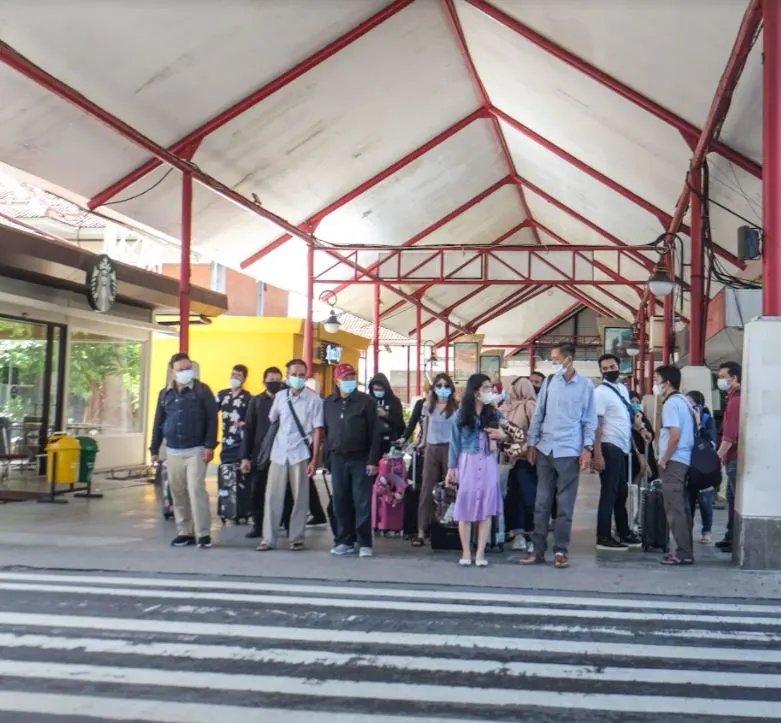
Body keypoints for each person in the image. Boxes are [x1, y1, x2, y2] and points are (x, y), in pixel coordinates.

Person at [523, 342, 597, 569]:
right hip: (546, 448)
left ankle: (560, 551)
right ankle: (538, 550)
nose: (553, 362)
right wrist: (532, 443)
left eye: (556, 358)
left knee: (565, 506)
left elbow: (589, 420)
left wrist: (587, 448)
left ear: (568, 359)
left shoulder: (585, 386)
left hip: (569, 451)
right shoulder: (549, 382)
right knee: (541, 502)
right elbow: (539, 413)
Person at [150, 352, 218, 548]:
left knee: (196, 490)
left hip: (196, 449)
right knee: (178, 492)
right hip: (173, 451)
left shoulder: (202, 391)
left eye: (188, 369)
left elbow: (212, 419)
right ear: (173, 372)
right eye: (181, 370)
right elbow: (158, 422)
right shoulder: (165, 394)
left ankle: (203, 533)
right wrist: (154, 449)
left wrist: (209, 445)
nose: (186, 372)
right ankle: (185, 532)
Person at [257, 359, 324, 552]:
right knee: (272, 496)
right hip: (278, 453)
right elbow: (273, 419)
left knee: (301, 497)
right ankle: (268, 539)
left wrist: (314, 458)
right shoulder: (280, 397)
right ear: (287, 376)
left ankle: (296, 537)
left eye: (301, 375)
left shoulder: (314, 400)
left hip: (301, 454)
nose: (298, 378)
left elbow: (318, 430)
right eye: (294, 374)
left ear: (306, 376)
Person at [446, 373, 506, 567]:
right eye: (486, 388)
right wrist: (451, 467)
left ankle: (480, 552)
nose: (490, 392)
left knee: (486, 507)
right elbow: (454, 443)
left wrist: (501, 434)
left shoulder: (494, 413)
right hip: (468, 461)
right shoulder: (461, 415)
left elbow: (510, 431)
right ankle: (466, 551)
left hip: (488, 460)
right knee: (466, 505)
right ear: (475, 391)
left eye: (490, 388)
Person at [322, 363, 382, 557]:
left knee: (362, 501)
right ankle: (344, 540)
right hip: (337, 459)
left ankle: (364, 542)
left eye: (352, 377)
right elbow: (325, 431)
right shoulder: (329, 402)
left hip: (361, 458)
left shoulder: (366, 401)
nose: (349, 381)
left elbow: (375, 432)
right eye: (345, 378)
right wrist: (326, 459)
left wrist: (373, 461)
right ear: (337, 381)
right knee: (340, 500)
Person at [592, 354, 642, 551]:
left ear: (619, 366)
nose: (609, 370)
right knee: (610, 492)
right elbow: (597, 424)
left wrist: (641, 430)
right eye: (604, 369)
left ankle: (623, 531)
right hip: (608, 446)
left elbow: (627, 418)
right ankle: (603, 536)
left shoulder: (621, 389)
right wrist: (597, 454)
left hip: (622, 447)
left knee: (621, 492)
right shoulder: (600, 393)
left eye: (611, 366)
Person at [654, 365, 696, 566]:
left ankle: (682, 553)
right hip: (684, 460)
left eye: (657, 379)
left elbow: (674, 436)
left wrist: (664, 459)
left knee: (674, 508)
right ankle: (685, 550)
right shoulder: (685, 402)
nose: (656, 384)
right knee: (682, 507)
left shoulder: (671, 403)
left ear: (667, 382)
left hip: (674, 461)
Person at [411, 373, 458, 547]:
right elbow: (426, 425)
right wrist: (422, 443)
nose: (442, 389)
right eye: (439, 385)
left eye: (446, 385)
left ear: (451, 388)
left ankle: (450, 525)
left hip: (449, 448)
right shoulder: (428, 406)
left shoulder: (456, 408)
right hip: (431, 447)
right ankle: (421, 531)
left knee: (450, 488)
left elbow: (457, 430)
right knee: (426, 489)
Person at [240, 366, 283, 539]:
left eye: (277, 380)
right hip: (260, 455)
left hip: (281, 453)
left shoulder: (285, 400)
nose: (274, 383)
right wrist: (245, 456)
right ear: (264, 381)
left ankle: (283, 523)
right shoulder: (256, 401)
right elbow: (249, 430)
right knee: (257, 491)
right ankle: (258, 525)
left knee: (282, 492)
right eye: (270, 380)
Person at [502, 377, 537, 552]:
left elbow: (535, 433)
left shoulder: (530, 406)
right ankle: (517, 533)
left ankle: (532, 535)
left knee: (528, 498)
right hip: (511, 461)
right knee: (513, 498)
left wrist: (516, 449)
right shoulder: (507, 407)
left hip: (526, 460)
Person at [715, 361, 742, 554]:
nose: (720, 380)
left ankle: (732, 538)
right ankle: (730, 536)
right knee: (732, 498)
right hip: (732, 457)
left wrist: (717, 457)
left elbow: (730, 435)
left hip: (734, 457)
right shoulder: (733, 398)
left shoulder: (736, 401)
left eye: (723, 377)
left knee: (734, 498)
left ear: (735, 378)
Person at [686, 389, 717, 544]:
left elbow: (711, 441)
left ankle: (706, 531)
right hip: (688, 464)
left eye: (690, 403)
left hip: (703, 466)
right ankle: (687, 529)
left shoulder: (706, 419)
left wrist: (699, 423)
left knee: (705, 499)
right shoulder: (684, 420)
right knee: (688, 498)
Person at [216, 364, 252, 465]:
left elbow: (252, 420)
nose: (235, 377)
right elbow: (211, 411)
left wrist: (243, 423)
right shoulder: (222, 395)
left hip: (240, 442)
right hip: (226, 440)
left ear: (244, 379)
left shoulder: (248, 398)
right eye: (233, 374)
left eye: (239, 375)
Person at [369, 373, 405, 455]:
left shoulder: (394, 401)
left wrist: (386, 415)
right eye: (376, 389)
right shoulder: (369, 401)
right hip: (372, 442)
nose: (378, 392)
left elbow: (400, 423)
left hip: (390, 441)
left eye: (380, 390)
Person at [629, 390, 658, 482]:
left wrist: (642, 426)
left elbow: (651, 434)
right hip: (633, 455)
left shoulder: (642, 416)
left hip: (646, 453)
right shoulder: (626, 416)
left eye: (637, 402)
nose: (635, 404)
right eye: (632, 402)